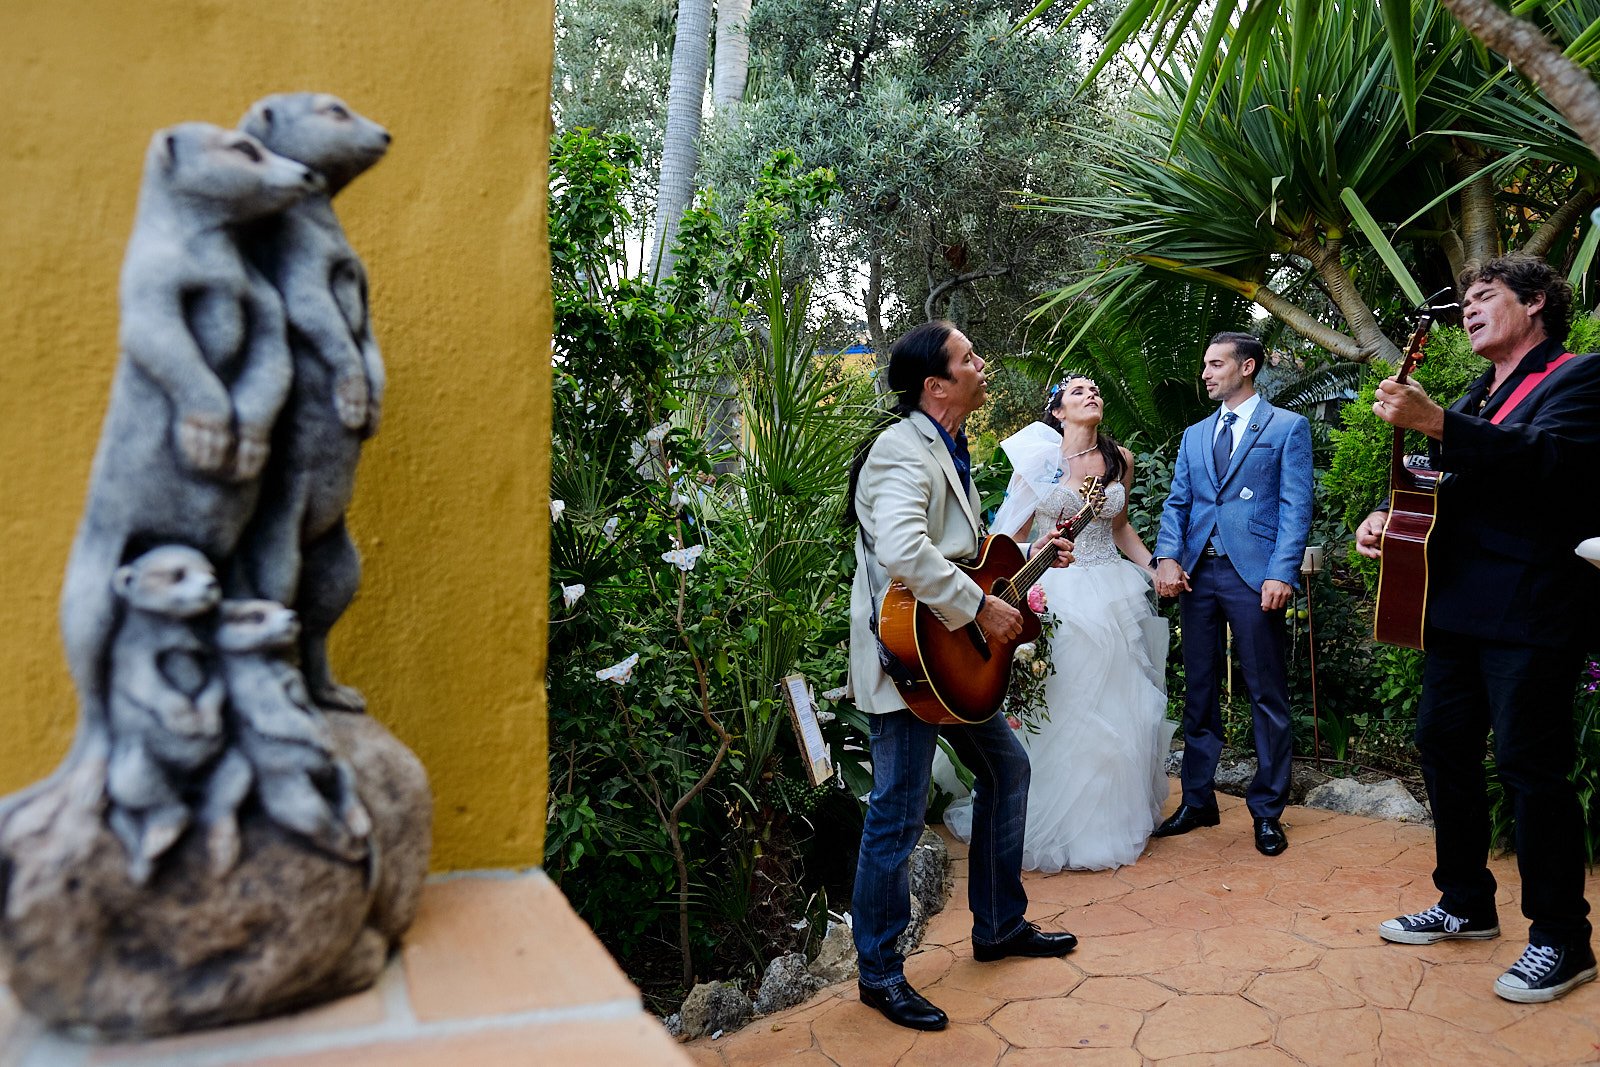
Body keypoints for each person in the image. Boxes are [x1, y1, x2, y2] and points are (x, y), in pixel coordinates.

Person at [1355, 253, 1600, 1004]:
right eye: (1464, 298)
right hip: (1456, 607)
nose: (1468, 307)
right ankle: (1464, 900)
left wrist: (1436, 421)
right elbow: (1451, 488)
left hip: (1533, 607)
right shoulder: (1477, 392)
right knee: (1443, 744)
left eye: (1485, 295)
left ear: (1535, 303)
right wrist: (1390, 516)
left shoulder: (1581, 375)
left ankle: (1563, 938)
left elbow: (1549, 462)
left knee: (1532, 767)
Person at [845, 320, 1075, 1032]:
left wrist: (1023, 560)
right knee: (898, 811)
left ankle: (1000, 924)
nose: (984, 362)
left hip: (951, 659)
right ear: (935, 384)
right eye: (969, 356)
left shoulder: (950, 446)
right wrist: (981, 605)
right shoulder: (898, 448)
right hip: (908, 658)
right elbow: (904, 548)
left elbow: (961, 552)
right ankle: (879, 972)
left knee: (1008, 771)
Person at [941, 375, 1175, 871]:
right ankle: (1047, 822)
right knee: (1066, 702)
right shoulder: (1038, 465)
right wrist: (1028, 566)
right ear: (1058, 412)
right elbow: (1008, 536)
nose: (1091, 395)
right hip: (1057, 593)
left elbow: (1120, 525)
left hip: (1114, 590)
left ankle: (1109, 822)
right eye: (1077, 392)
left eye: (1095, 390)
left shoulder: (1120, 459)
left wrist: (1152, 567)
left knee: (1120, 704)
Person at [1151, 332, 1313, 856]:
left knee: (1267, 694)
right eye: (1205, 364)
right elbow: (1178, 503)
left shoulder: (1287, 427)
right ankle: (1198, 801)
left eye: (1215, 364)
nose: (1205, 373)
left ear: (1247, 367)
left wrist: (1281, 572)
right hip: (1198, 576)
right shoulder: (1195, 434)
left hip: (1254, 576)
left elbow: (1295, 507)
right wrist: (1169, 557)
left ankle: (1267, 813)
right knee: (1198, 692)